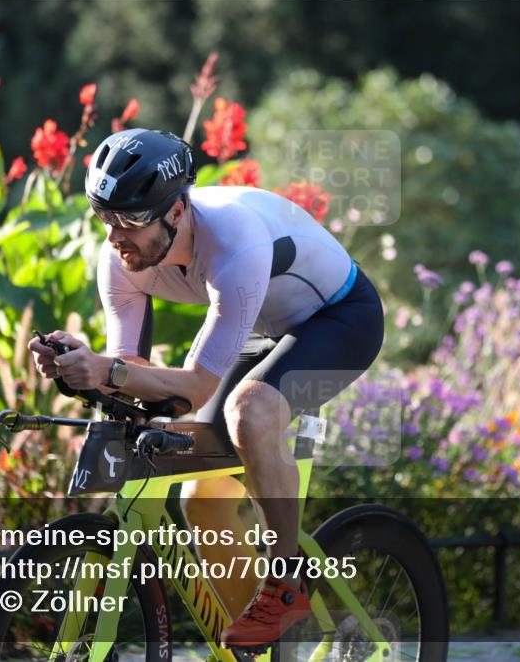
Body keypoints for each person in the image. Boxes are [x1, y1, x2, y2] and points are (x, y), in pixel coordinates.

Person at [28, 128, 384, 649]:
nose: (115, 236)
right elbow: (131, 372)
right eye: (105, 218)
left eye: (130, 220)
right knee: (203, 500)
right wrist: (81, 368)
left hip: (340, 317)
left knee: (251, 414)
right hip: (262, 324)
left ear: (175, 211)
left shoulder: (233, 243)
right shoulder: (122, 260)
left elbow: (194, 387)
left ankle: (285, 585)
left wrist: (108, 370)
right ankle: (256, 654)